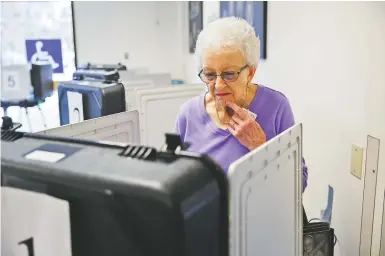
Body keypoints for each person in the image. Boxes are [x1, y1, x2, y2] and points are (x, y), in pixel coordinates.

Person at [174, 17, 308, 191]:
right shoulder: (188, 114)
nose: (219, 85)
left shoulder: (276, 107)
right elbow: (175, 181)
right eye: (210, 75)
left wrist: (260, 147)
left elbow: (299, 184)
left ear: (250, 73)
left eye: (229, 74)